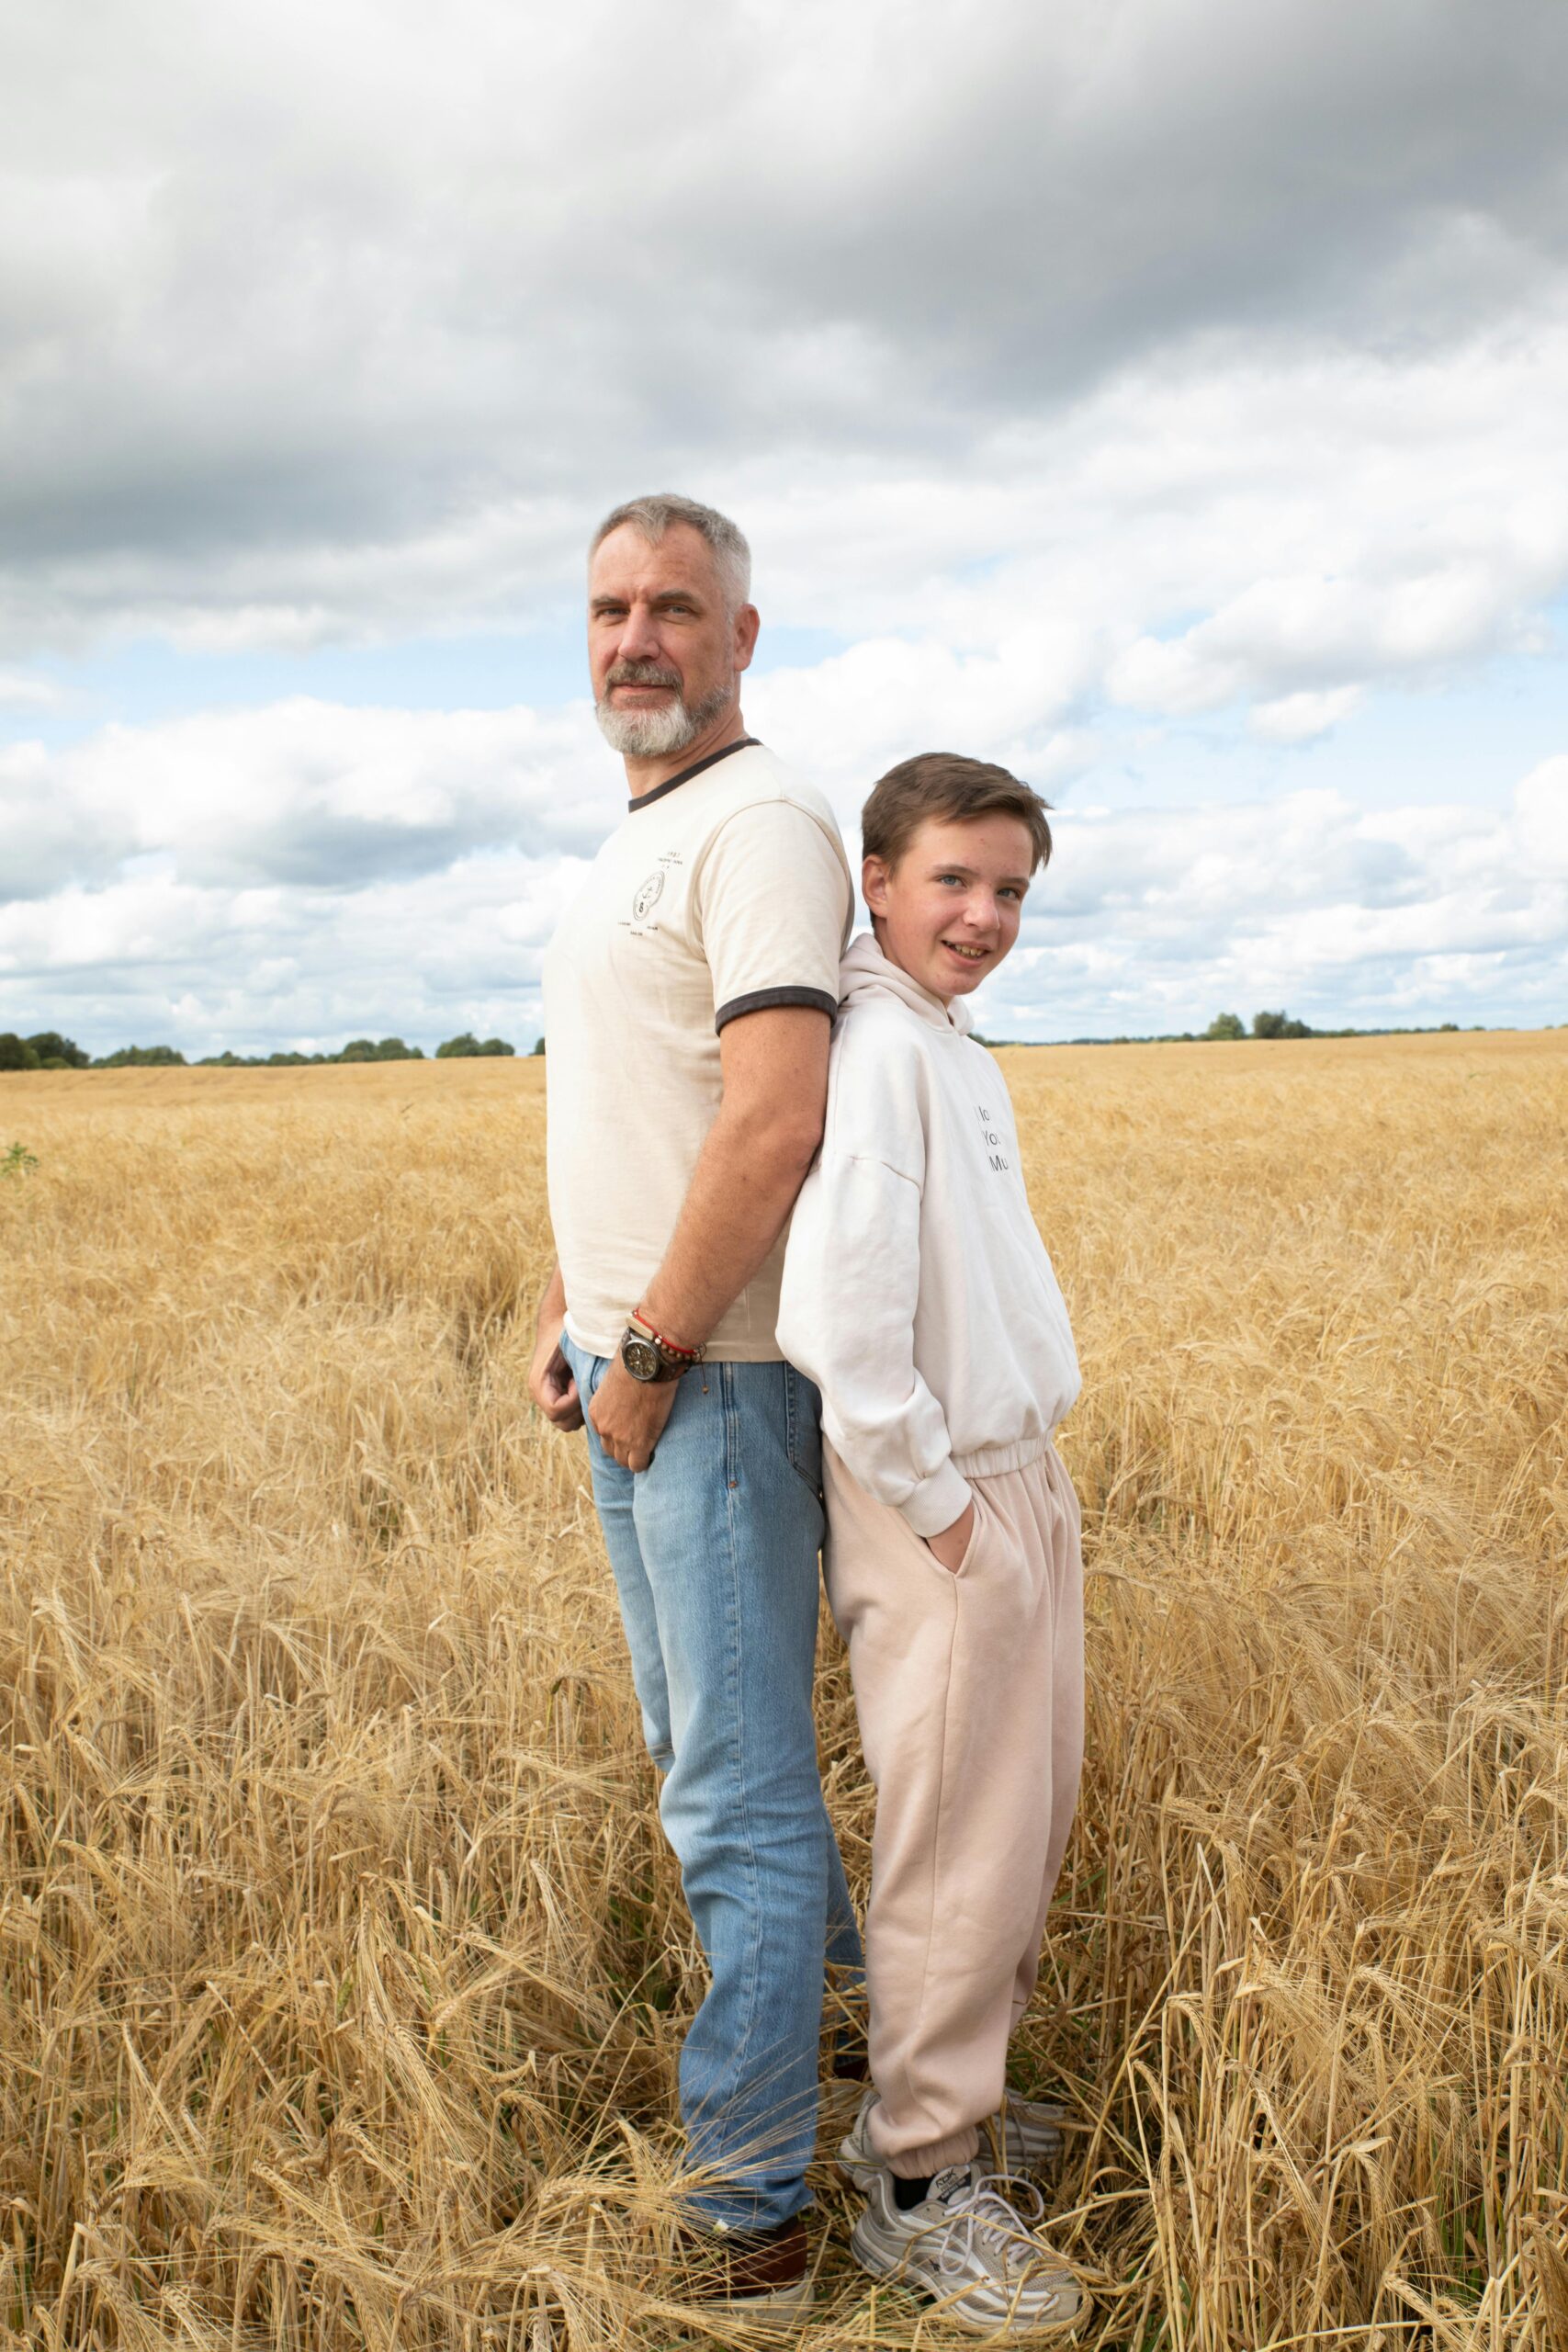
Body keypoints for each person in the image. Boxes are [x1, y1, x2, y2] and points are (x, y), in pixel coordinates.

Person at [529, 492, 862, 2321]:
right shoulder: (639, 834)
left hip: (712, 1387)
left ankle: (753, 2210)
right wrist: (570, 1312)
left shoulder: (759, 823)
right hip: (633, 1367)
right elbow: (642, 1100)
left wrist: (650, 1348)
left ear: (742, 635)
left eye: (673, 606)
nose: (634, 636)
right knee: (710, 1769)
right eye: (605, 608)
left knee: (729, 1793)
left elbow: (771, 1117)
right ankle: (869, 2088)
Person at [777, 752, 1087, 2339]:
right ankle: (912, 2185)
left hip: (1012, 1482)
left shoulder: (948, 1042)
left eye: (1012, 889)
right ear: (878, 880)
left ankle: (946, 2117)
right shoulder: (882, 1051)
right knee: (957, 1852)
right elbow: (847, 1326)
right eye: (953, 880)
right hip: (941, 1502)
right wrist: (951, 1514)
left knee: (1016, 1832)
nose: (983, 915)